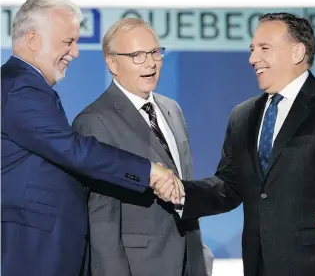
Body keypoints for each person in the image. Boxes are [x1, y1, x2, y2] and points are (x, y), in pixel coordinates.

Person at [153, 12, 315, 276]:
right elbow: (229, 186)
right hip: (258, 266)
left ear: (297, 52)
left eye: (264, 48)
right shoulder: (242, 115)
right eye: (252, 49)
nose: (253, 58)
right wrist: (181, 192)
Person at [1, 0, 178, 276]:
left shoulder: (26, 86)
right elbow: (74, 150)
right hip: (33, 252)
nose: (76, 52)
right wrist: (149, 172)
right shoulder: (20, 88)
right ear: (33, 39)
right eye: (68, 42)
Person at [72, 17, 213, 276]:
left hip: (190, 262)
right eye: (137, 55)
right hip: (140, 266)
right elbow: (102, 220)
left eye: (154, 53)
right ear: (112, 62)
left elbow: (184, 187)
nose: (150, 63)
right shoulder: (95, 122)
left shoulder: (172, 109)